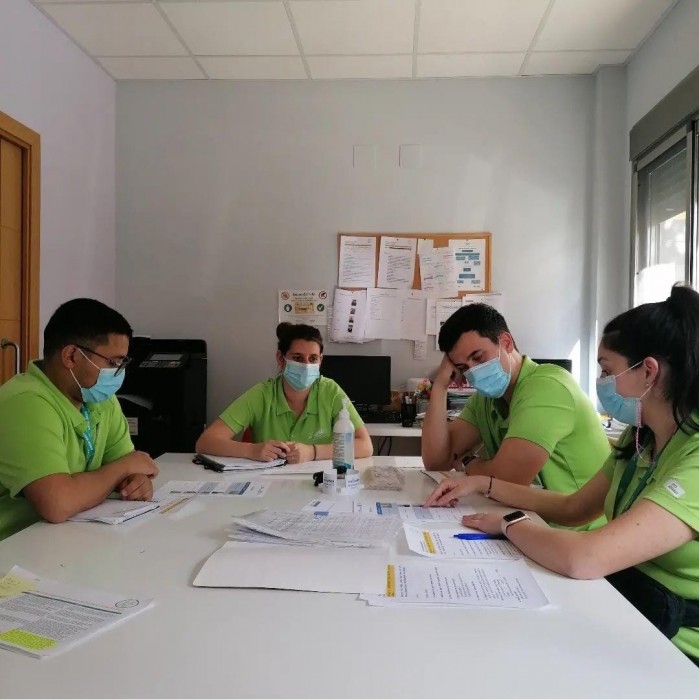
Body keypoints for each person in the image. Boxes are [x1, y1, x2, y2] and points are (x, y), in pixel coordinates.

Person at [424, 285, 699, 665]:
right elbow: (574, 508)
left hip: (675, 646)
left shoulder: (693, 456)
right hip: (627, 601)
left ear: (648, 372)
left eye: (607, 371)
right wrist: (483, 483)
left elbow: (584, 557)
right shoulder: (640, 440)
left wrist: (508, 523)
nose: (601, 383)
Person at [422, 303, 609, 527]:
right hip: (528, 522)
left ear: (506, 343)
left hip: (577, 532)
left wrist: (468, 461)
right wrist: (440, 386)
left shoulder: (547, 388)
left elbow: (506, 480)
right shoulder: (485, 399)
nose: (473, 372)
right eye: (463, 367)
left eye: (478, 357)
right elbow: (437, 462)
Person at [0, 299, 159, 541]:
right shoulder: (25, 402)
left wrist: (136, 482)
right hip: (14, 545)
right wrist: (125, 468)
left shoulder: (99, 398)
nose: (118, 373)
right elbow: (58, 504)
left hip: (68, 536)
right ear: (71, 356)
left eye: (122, 363)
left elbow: (129, 469)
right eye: (113, 363)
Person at [196, 322, 373, 463]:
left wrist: (312, 452)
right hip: (267, 485)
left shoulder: (331, 391)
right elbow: (205, 442)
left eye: (313, 358)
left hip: (318, 484)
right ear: (281, 358)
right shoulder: (262, 394)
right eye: (297, 358)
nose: (306, 365)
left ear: (321, 360)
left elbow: (365, 445)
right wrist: (252, 450)